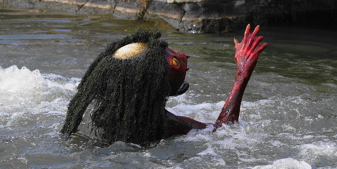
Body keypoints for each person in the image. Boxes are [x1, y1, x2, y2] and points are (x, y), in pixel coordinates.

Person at [61, 25, 267, 146]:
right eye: (176, 62)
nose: (184, 56)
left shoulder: (89, 106)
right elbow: (223, 131)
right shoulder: (158, 121)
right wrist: (242, 74)